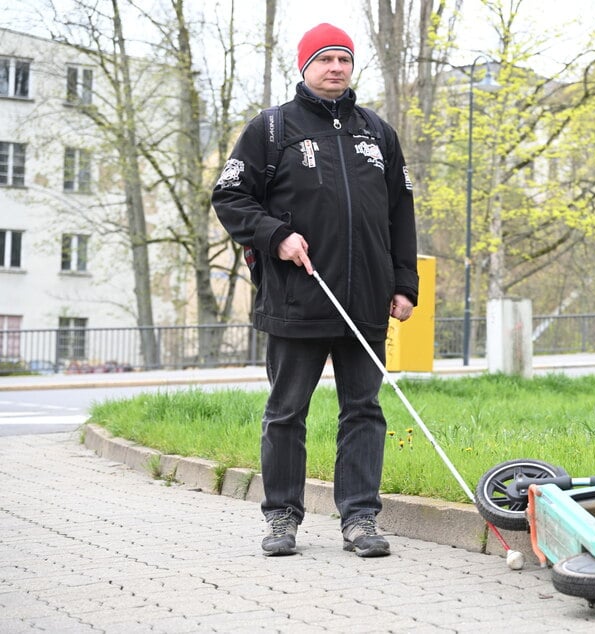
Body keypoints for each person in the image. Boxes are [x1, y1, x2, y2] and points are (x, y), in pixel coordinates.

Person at [212, 22, 418, 558]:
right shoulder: (271, 128)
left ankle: (361, 520)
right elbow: (231, 196)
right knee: (286, 411)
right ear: (304, 66)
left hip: (367, 302)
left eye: (344, 59)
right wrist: (275, 236)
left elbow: (401, 214)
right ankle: (281, 516)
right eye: (325, 59)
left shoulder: (378, 134)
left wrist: (404, 284)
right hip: (297, 298)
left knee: (364, 411)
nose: (336, 68)